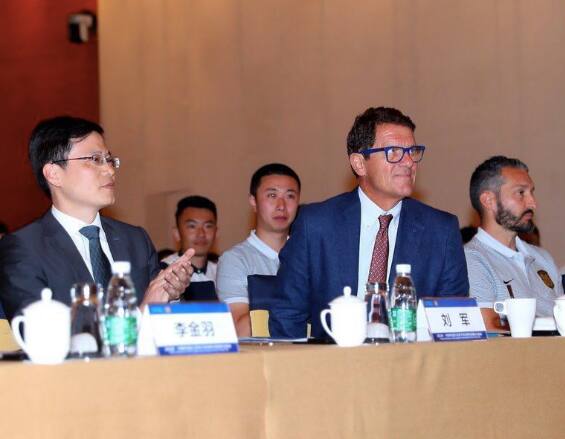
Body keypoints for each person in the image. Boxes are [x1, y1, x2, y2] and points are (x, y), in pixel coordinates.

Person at [270, 106, 469, 338]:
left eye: (412, 151)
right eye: (394, 152)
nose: (408, 162)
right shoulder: (316, 224)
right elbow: (286, 314)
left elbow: (452, 325)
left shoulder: (441, 231)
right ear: (359, 164)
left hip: (411, 358)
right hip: (333, 357)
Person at [0, 116, 194, 321]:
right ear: (54, 173)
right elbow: (40, 332)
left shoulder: (135, 240)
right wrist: (142, 313)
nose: (109, 170)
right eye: (95, 159)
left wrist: (170, 294)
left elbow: (162, 317)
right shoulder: (23, 248)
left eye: (109, 160)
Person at [465, 156, 563, 317]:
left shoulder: (543, 258)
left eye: (531, 192)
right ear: (488, 200)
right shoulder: (471, 260)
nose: (533, 203)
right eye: (521, 193)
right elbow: (487, 326)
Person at [216, 163, 301, 336]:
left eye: (290, 196)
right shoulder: (235, 260)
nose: (281, 205)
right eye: (272, 195)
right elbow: (239, 329)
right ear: (253, 201)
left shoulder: (308, 255)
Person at [161, 195, 218, 289]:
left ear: (216, 232)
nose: (201, 234)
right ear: (177, 233)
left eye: (208, 226)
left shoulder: (223, 273)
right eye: (192, 226)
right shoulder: (164, 272)